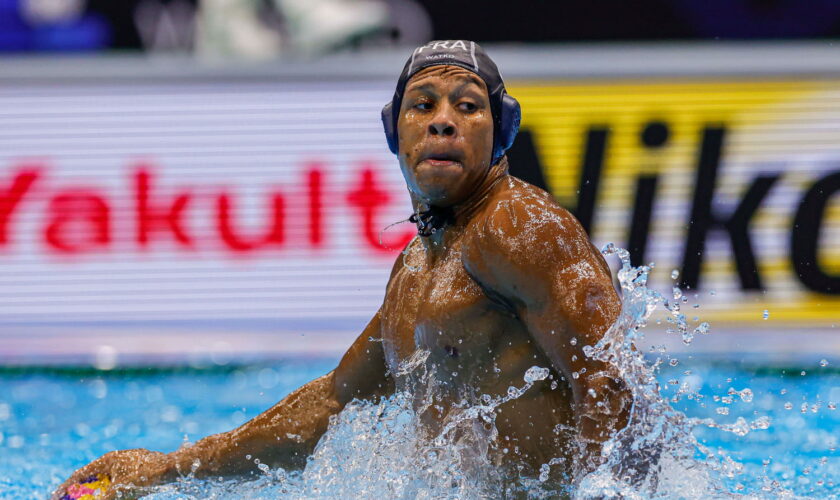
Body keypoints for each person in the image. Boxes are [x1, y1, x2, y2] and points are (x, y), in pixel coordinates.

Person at [54, 40, 630, 499]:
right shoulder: (415, 268)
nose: (443, 122)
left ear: (500, 130)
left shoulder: (521, 227)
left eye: (468, 105)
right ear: (394, 132)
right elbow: (329, 405)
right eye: (423, 104)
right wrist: (165, 469)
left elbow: (610, 384)